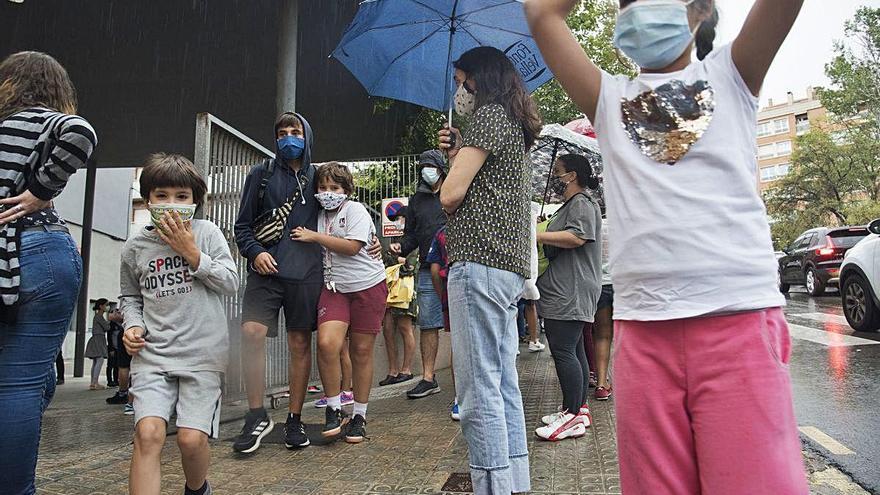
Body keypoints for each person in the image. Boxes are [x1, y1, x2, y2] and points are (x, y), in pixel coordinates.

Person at [527, 0, 809, 492]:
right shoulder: (607, 99)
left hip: (737, 326)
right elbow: (541, 13)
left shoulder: (735, 74)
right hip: (643, 335)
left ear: (700, 10)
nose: (637, 8)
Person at [437, 46, 542, 495]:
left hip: (477, 263)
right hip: (506, 268)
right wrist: (458, 151)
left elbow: (449, 195)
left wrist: (454, 161)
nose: (460, 90)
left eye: (464, 81)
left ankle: (492, 487)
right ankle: (514, 483)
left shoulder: (489, 116)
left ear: (482, 78)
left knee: (478, 392)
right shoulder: (511, 122)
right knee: (502, 384)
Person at [0, 51, 95, 495]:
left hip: (7, 257)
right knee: (19, 383)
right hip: (39, 247)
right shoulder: (44, 120)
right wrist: (41, 191)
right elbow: (81, 132)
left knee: (24, 379)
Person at [120, 153, 239, 495]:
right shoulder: (135, 246)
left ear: (196, 201)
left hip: (203, 357)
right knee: (148, 434)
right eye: (162, 195)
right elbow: (129, 298)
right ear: (148, 199)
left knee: (190, 440)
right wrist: (132, 326)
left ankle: (197, 488)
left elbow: (231, 282)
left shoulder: (207, 234)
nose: (171, 203)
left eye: (182, 196)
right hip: (152, 357)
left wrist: (193, 254)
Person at [232, 112, 322, 453]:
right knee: (250, 334)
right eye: (282, 132)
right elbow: (242, 226)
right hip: (265, 272)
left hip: (305, 275)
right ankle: (255, 414)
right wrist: (255, 252)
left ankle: (295, 419)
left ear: (307, 135)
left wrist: (369, 241)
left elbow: (341, 216)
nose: (288, 137)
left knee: (299, 344)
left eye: (295, 131)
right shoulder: (262, 174)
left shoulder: (319, 177)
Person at [291, 162, 388, 444]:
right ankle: (333, 408)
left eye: (334, 188)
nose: (327, 193)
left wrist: (314, 236)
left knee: (360, 351)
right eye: (322, 187)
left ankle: (359, 415)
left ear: (346, 190)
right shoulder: (317, 214)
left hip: (367, 287)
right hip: (334, 289)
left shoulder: (354, 210)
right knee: (326, 344)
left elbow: (352, 247)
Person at [533, 154, 602, 442]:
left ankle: (571, 415)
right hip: (567, 288)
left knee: (563, 351)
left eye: (559, 173)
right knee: (574, 351)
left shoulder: (582, 203)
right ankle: (577, 408)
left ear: (571, 175)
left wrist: (538, 235)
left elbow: (578, 237)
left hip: (570, 290)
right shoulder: (575, 204)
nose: (556, 178)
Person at [389, 150, 448, 399]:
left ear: (442, 168)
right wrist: (401, 245)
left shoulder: (454, 192)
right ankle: (427, 377)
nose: (427, 170)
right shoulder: (417, 200)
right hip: (426, 268)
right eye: (423, 166)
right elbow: (412, 234)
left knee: (462, 323)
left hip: (453, 266)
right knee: (428, 323)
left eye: (431, 165)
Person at [379, 229, 417, 387]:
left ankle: (406, 369)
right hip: (389, 288)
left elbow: (411, 265)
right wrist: (396, 259)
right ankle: (392, 370)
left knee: (404, 327)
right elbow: (383, 259)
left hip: (405, 288)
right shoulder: (388, 239)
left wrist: (397, 260)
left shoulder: (413, 238)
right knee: (387, 329)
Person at [593, 219, 613, 401]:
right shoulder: (623, 221)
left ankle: (601, 383)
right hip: (624, 284)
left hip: (600, 284)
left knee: (602, 336)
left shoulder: (595, 224)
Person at [522, 201, 544, 352]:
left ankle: (532, 339)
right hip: (528, 273)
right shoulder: (531, 225)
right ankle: (534, 339)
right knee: (530, 305)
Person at [106, 308, 134, 410]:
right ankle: (130, 397)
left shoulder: (129, 297)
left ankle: (123, 394)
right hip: (143, 330)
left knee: (124, 365)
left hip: (128, 329)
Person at [85, 299, 110, 389]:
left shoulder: (97, 316)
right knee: (100, 359)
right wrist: (110, 320)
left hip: (97, 338)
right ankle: (95, 382)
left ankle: (93, 382)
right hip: (99, 338)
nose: (107, 306)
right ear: (101, 306)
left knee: (96, 361)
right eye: (106, 305)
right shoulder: (99, 316)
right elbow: (107, 327)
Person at [106, 306, 123, 387]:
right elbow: (109, 338)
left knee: (117, 365)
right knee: (110, 365)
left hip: (119, 348)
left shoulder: (122, 324)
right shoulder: (112, 325)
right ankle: (109, 380)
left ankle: (116, 380)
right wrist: (111, 349)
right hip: (113, 348)